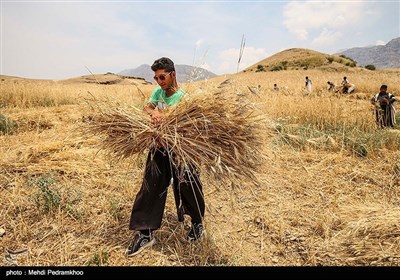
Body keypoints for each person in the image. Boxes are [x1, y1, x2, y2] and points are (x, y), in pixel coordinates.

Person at [126, 57, 205, 257]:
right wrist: (153, 112)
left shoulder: (183, 98)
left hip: (182, 149)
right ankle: (145, 233)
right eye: (155, 77)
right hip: (159, 147)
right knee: (150, 185)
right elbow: (148, 107)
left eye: (162, 77)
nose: (159, 81)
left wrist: (165, 115)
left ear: (173, 75)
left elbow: (183, 120)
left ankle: (197, 223)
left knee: (189, 185)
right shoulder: (158, 92)